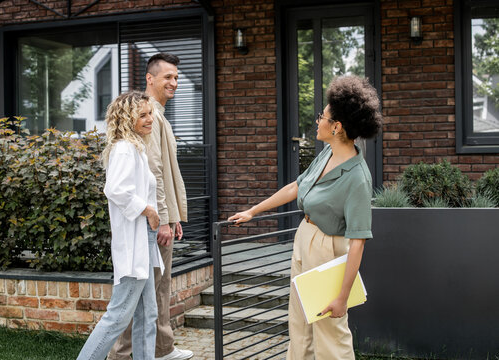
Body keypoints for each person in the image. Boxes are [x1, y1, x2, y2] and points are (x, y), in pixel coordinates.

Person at [229, 75, 382, 360]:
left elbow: (358, 242)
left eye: (321, 117)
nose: (317, 121)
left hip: (329, 250)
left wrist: (342, 297)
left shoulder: (358, 178)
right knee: (299, 325)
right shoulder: (325, 155)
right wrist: (253, 211)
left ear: (336, 127)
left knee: (330, 332)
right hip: (305, 237)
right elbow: (297, 186)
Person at [108, 53, 192, 360]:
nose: (173, 83)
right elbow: (153, 170)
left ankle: (159, 348)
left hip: (160, 216)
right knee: (148, 290)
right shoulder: (149, 115)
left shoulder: (158, 114)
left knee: (156, 287)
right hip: (151, 220)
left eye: (176, 78)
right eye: (168, 77)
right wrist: (164, 219)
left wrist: (174, 215)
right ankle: (123, 354)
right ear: (150, 78)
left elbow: (165, 173)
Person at [77, 91, 164, 360]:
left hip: (145, 241)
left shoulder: (135, 147)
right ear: (127, 119)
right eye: (143, 115)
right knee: (118, 315)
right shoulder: (126, 149)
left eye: (150, 113)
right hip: (135, 242)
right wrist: (148, 209)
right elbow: (115, 189)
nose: (150, 119)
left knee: (148, 313)